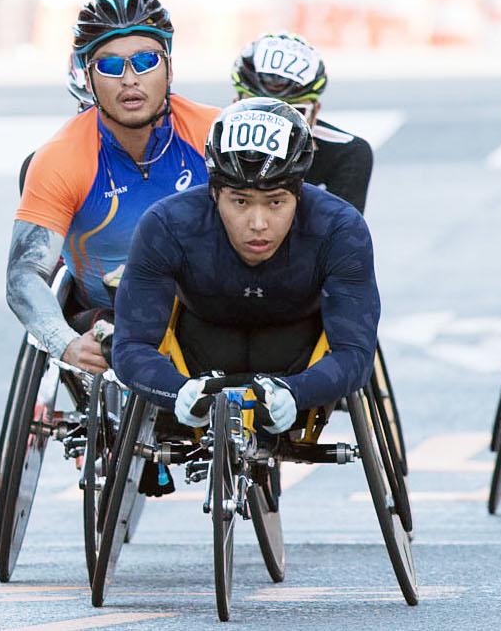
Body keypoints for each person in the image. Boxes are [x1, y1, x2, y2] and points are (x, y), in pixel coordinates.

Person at [112, 98, 379, 429]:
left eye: (276, 202)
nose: (258, 223)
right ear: (214, 193)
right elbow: (131, 345)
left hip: (298, 360)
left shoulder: (340, 228)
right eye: (240, 201)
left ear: (300, 192)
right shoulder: (165, 225)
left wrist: (297, 393)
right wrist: (176, 391)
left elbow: (355, 353)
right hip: (199, 359)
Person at [8, 0, 220, 375]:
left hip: (213, 305)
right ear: (87, 78)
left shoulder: (215, 134)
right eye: (108, 65)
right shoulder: (60, 157)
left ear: (169, 68)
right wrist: (65, 343)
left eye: (145, 60)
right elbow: (25, 275)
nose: (129, 79)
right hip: (110, 317)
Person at [232, 31, 374, 213]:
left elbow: (342, 236)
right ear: (235, 106)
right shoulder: (204, 140)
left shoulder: (348, 153)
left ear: (315, 113)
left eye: (294, 112)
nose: (274, 125)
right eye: (259, 109)